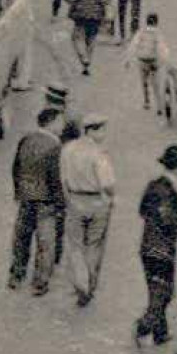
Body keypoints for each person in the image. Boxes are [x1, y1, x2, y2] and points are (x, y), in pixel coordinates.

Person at [136, 145, 177, 347]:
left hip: (147, 246)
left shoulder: (153, 184)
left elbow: (142, 211)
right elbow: (166, 217)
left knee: (156, 290)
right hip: (162, 248)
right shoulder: (169, 189)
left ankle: (161, 332)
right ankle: (145, 325)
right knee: (165, 292)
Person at [8, 107, 66, 296]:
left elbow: (16, 167)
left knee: (21, 239)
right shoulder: (55, 146)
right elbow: (55, 178)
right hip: (46, 201)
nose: (62, 126)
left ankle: (16, 275)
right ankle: (39, 282)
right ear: (51, 122)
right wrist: (60, 204)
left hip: (26, 197)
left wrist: (19, 191)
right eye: (60, 122)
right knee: (45, 242)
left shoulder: (26, 140)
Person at [60, 114, 115, 308]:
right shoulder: (99, 153)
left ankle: (80, 283)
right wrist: (110, 198)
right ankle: (89, 285)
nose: (103, 133)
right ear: (91, 130)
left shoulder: (68, 149)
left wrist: (69, 199)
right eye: (100, 129)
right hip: (96, 202)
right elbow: (108, 183)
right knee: (93, 244)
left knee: (75, 245)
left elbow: (63, 178)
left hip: (75, 200)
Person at [67, 0, 109, 76]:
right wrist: (104, 15)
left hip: (81, 11)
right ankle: (88, 62)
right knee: (91, 38)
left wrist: (71, 11)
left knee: (76, 38)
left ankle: (83, 56)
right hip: (95, 13)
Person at [123, 13, 171, 114]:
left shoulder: (141, 33)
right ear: (157, 22)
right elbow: (161, 48)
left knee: (144, 82)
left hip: (142, 61)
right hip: (153, 61)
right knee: (156, 84)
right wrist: (164, 60)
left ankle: (146, 101)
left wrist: (127, 60)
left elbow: (133, 46)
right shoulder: (157, 33)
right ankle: (159, 106)